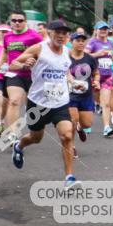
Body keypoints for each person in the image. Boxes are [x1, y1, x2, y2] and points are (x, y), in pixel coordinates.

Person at [9, 20, 80, 188]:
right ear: (49, 33)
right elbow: (13, 64)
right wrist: (24, 64)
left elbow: (65, 71)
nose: (61, 36)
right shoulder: (39, 48)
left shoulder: (67, 52)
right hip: (38, 103)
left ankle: (69, 178)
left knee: (67, 136)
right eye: (57, 32)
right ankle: (19, 146)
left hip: (60, 102)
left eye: (64, 33)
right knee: (36, 138)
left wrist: (72, 81)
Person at [0, 11, 43, 137]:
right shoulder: (7, 37)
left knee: (33, 109)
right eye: (14, 20)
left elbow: (44, 53)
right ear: (10, 22)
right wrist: (0, 63)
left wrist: (34, 60)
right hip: (14, 73)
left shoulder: (35, 36)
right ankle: (13, 134)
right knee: (14, 101)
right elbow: (5, 51)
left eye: (20, 20)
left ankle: (33, 126)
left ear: (25, 22)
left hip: (33, 76)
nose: (17, 23)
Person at [67, 30, 99, 157]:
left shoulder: (90, 58)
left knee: (87, 123)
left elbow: (96, 73)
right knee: (73, 120)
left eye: (82, 41)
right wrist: (70, 81)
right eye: (77, 40)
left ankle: (81, 128)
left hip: (86, 95)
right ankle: (72, 146)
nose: (81, 43)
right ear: (71, 42)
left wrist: (96, 81)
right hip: (70, 95)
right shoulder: (66, 57)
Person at [86, 22, 113, 137]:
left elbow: (111, 57)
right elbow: (85, 55)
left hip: (108, 75)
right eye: (101, 29)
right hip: (95, 76)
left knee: (106, 103)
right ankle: (86, 125)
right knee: (91, 103)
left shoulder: (110, 43)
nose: (103, 31)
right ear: (96, 30)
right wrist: (97, 54)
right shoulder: (92, 42)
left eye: (105, 29)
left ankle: (107, 127)